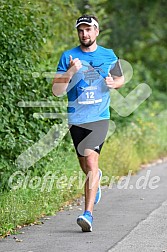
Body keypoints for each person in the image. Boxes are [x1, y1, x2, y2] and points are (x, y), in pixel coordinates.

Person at [52, 14, 124, 232]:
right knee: (86, 166)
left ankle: (88, 214)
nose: (84, 34)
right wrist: (72, 70)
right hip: (77, 119)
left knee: (91, 164)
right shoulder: (68, 56)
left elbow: (120, 79)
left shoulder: (108, 55)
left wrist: (114, 82)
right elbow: (56, 91)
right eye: (81, 30)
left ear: (96, 31)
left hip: (99, 117)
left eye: (88, 30)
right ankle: (97, 178)